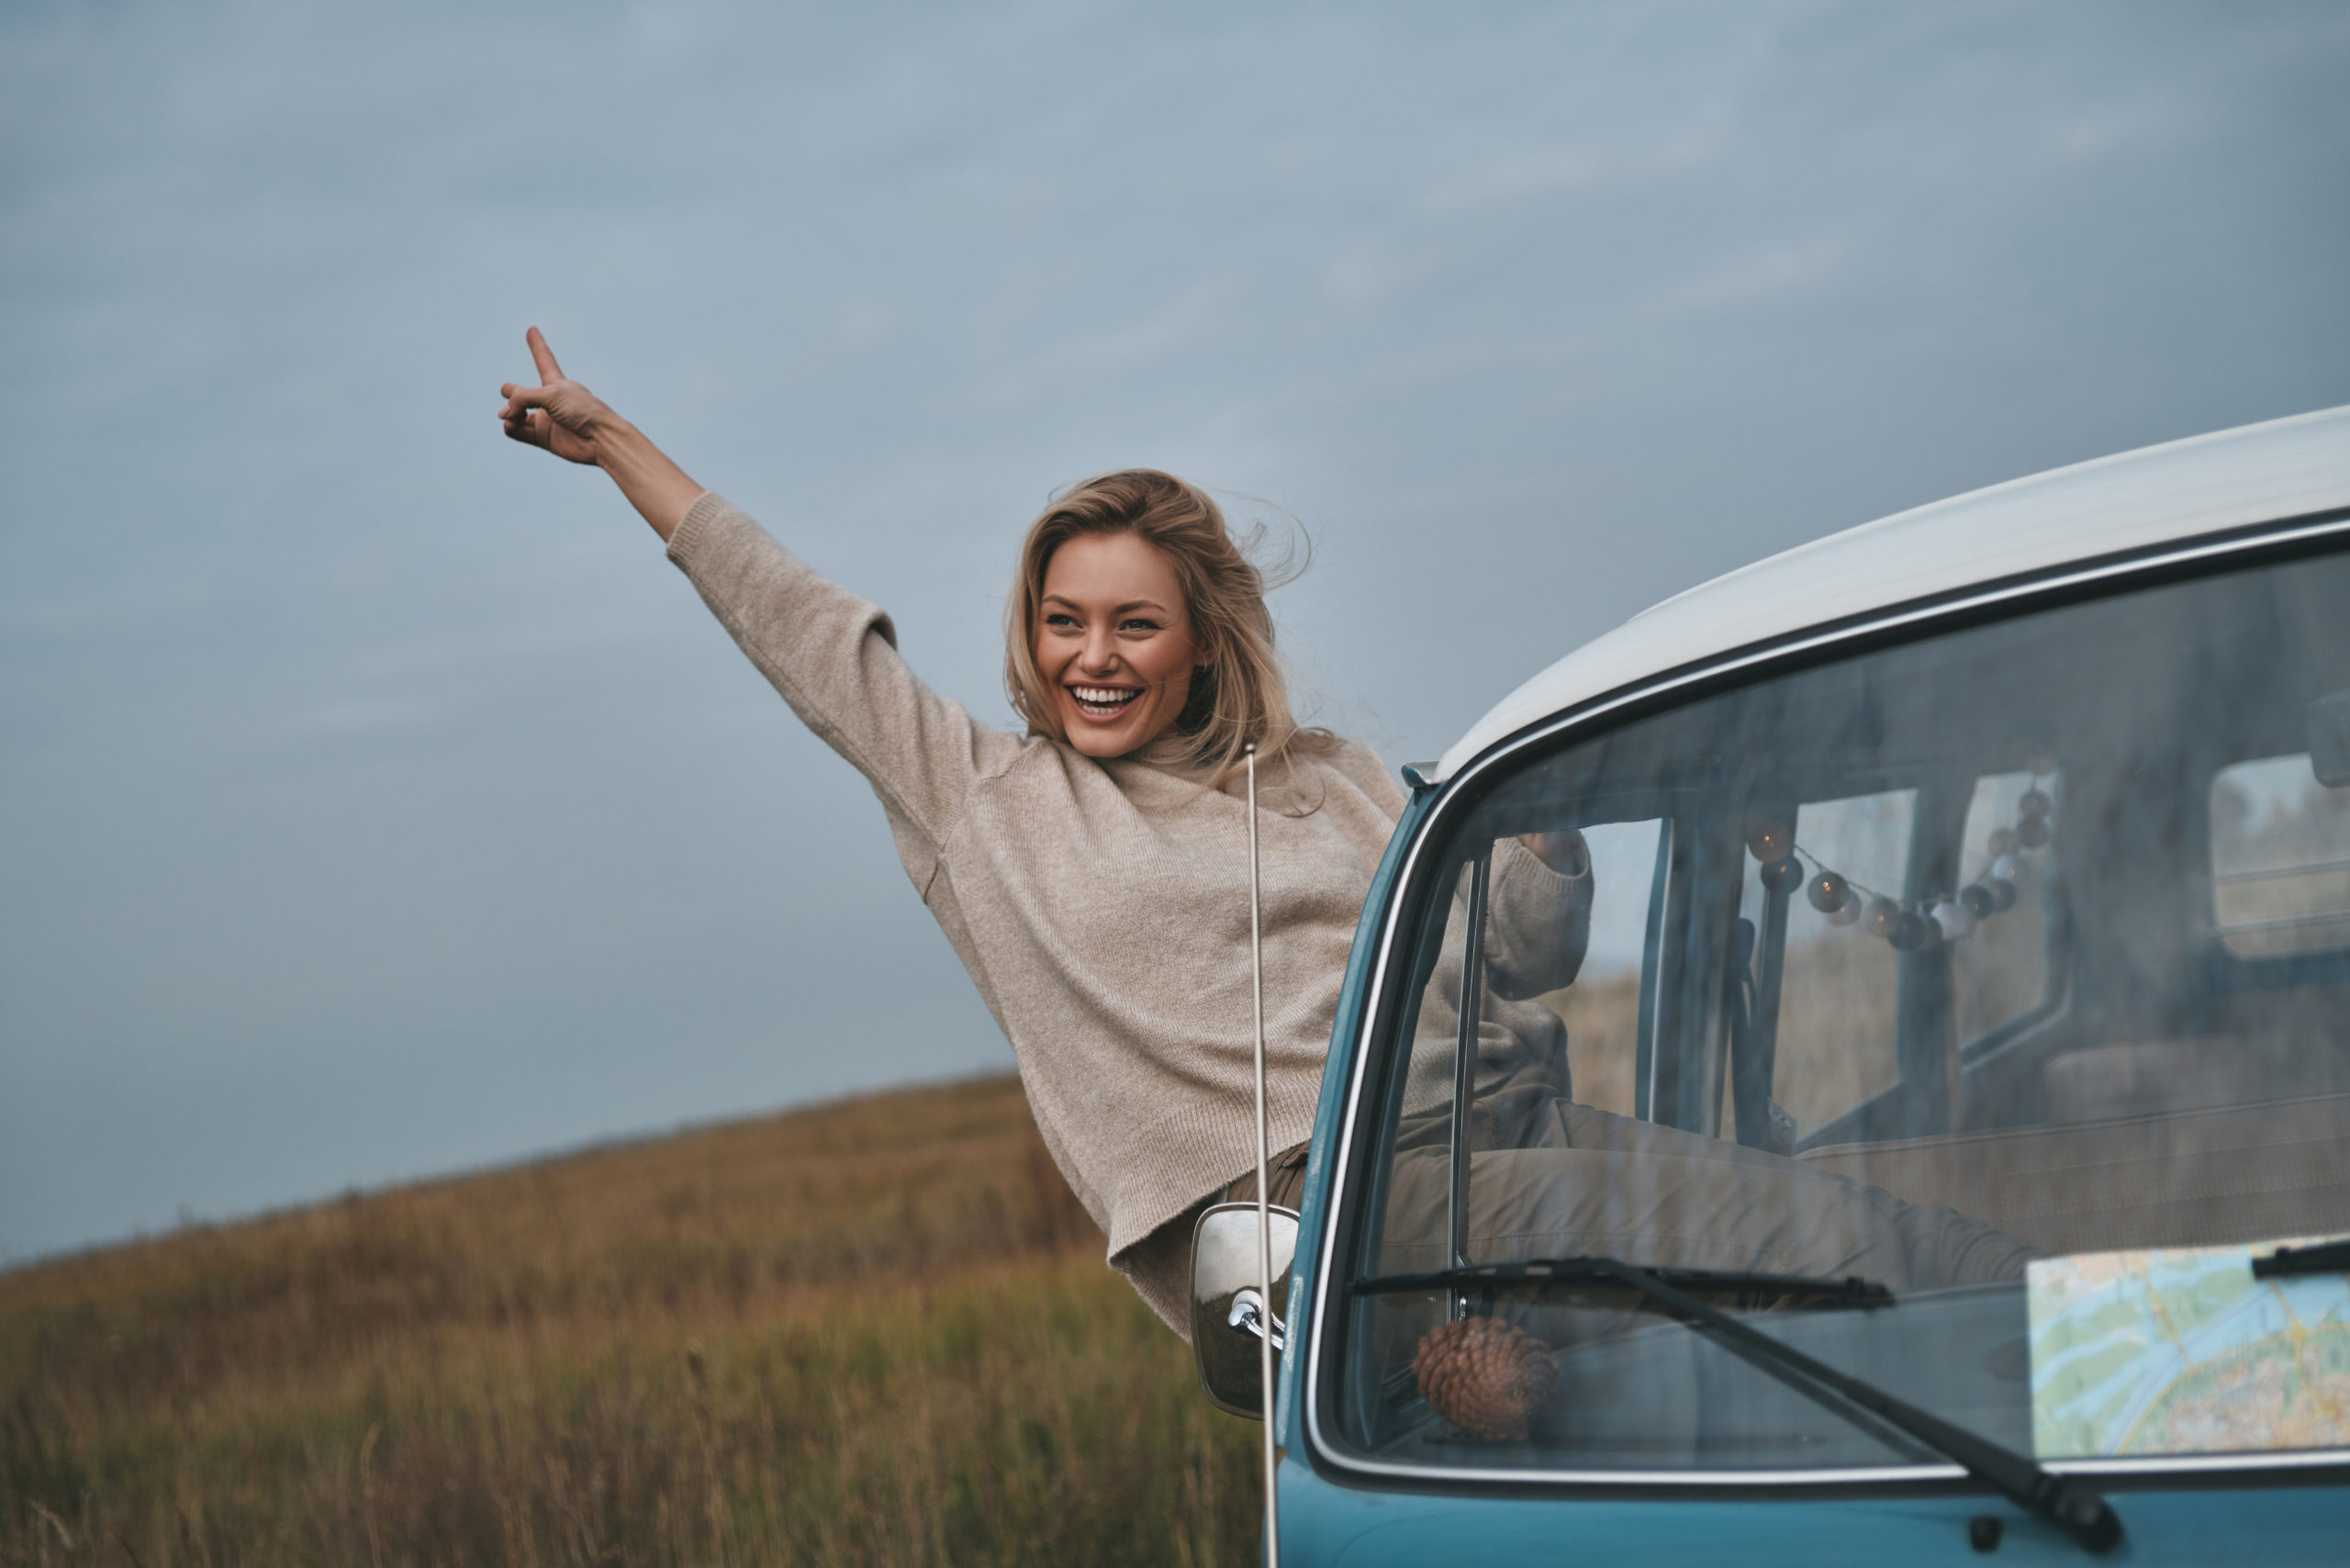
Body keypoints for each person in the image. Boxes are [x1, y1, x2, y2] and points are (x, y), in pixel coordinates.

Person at [496, 330, 2029, 1340]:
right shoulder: (990, 805)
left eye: (1134, 624)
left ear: (1200, 640)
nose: (1094, 656)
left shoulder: (1327, 776)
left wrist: (1549, 845)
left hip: (1513, 1134)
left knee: (1858, 1251)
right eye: (1064, 619)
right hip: (1336, 1208)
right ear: (1033, 632)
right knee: (1875, 1274)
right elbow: (810, 636)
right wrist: (619, 444)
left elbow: (1529, 958)